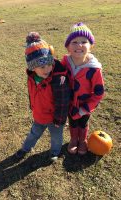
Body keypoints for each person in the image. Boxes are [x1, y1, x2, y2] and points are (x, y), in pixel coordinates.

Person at [15, 32, 70, 162]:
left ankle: (55, 152)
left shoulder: (58, 80)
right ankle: (25, 148)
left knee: (56, 137)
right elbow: (32, 93)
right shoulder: (32, 77)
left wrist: (60, 120)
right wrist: (32, 106)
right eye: (42, 66)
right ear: (32, 68)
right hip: (39, 115)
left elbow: (63, 102)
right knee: (33, 133)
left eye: (49, 64)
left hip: (54, 119)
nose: (47, 69)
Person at [61, 22, 105, 155]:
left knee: (83, 122)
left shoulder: (94, 69)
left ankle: (83, 140)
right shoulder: (65, 63)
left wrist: (85, 109)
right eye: (74, 42)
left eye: (84, 41)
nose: (79, 45)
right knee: (73, 122)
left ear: (90, 46)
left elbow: (99, 93)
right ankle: (74, 139)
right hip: (70, 103)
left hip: (85, 104)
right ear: (68, 47)